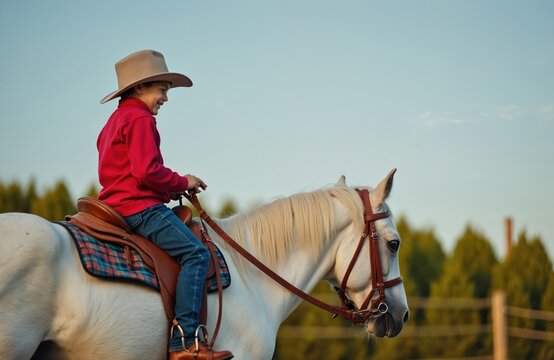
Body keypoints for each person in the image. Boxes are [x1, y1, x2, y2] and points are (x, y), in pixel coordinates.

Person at [97, 49, 233, 360]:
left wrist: (169, 187)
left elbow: (130, 172)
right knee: (196, 255)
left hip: (118, 204)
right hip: (140, 209)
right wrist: (182, 182)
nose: (165, 98)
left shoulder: (115, 120)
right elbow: (147, 171)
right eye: (162, 90)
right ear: (140, 88)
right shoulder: (140, 118)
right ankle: (184, 340)